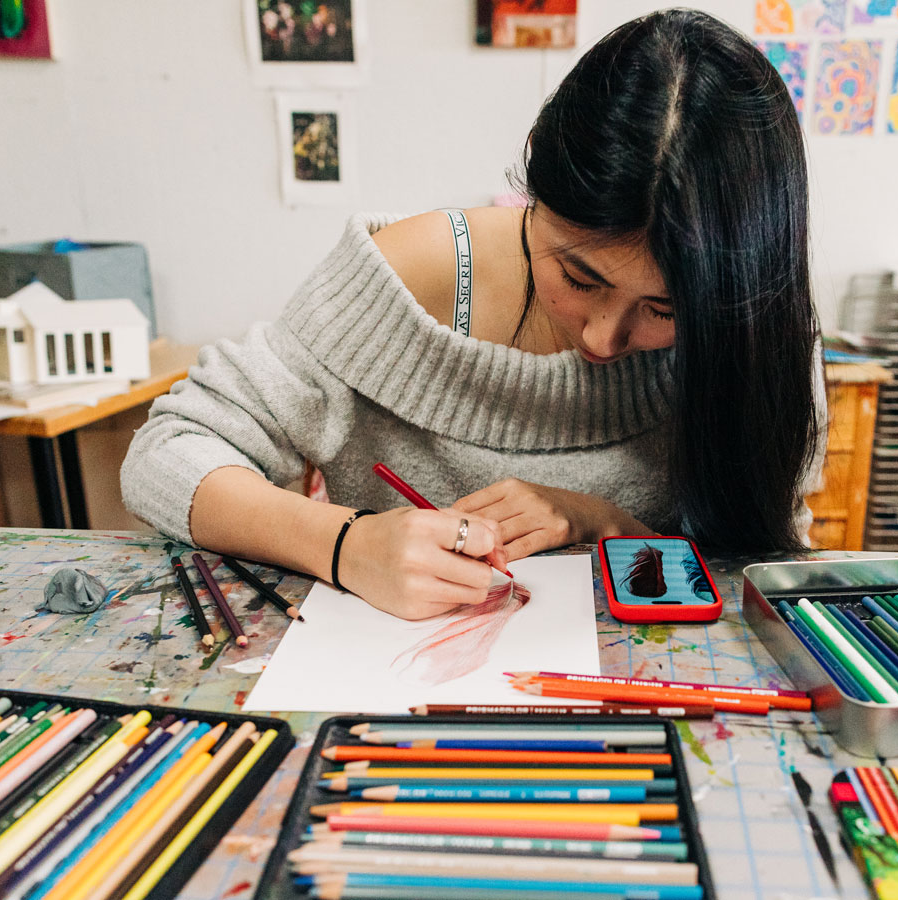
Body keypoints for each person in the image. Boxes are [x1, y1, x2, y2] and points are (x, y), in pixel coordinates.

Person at [121, 8, 825, 621]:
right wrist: (345, 543)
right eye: (578, 278)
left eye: (665, 309)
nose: (604, 338)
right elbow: (165, 456)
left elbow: (762, 562)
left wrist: (602, 521)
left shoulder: (752, 327)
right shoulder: (415, 278)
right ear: (533, 180)